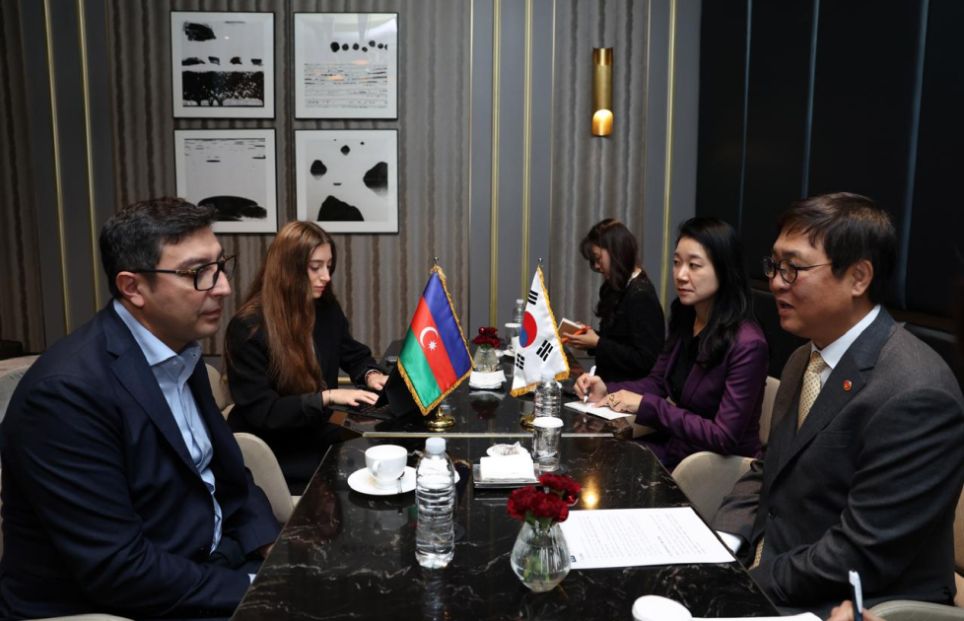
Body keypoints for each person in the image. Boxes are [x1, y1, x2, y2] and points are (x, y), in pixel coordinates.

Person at [0, 198, 280, 620]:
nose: (222, 286)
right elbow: (120, 570)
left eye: (221, 265)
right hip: (123, 602)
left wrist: (272, 547)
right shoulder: (65, 395)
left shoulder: (181, 352)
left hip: (208, 562)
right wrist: (259, 589)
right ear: (132, 287)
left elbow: (229, 478)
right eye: (198, 272)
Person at [712, 193, 964, 616]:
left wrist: (741, 585)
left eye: (794, 268)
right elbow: (770, 469)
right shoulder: (804, 358)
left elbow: (860, 552)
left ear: (858, 278)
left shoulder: (917, 393)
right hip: (779, 569)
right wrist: (724, 540)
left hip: (851, 602)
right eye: (774, 265)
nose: (776, 282)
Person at [575, 217, 768, 468]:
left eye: (694, 265)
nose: (681, 275)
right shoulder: (686, 317)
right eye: (677, 263)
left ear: (724, 269)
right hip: (677, 449)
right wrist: (607, 390)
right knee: (590, 459)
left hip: (715, 469)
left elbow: (723, 437)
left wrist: (649, 406)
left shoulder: (748, 344)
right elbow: (657, 382)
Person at [224, 221, 387, 493]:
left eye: (329, 266)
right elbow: (265, 412)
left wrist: (371, 374)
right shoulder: (248, 327)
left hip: (314, 429)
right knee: (366, 476)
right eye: (315, 267)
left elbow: (352, 352)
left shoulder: (324, 308)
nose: (326, 277)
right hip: (277, 449)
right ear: (288, 269)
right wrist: (327, 397)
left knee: (385, 450)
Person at [568, 218, 665, 382]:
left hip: (627, 390)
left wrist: (598, 343)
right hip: (606, 385)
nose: (596, 266)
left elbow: (645, 360)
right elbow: (618, 340)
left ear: (616, 252)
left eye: (598, 258)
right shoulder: (616, 286)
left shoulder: (641, 294)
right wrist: (590, 337)